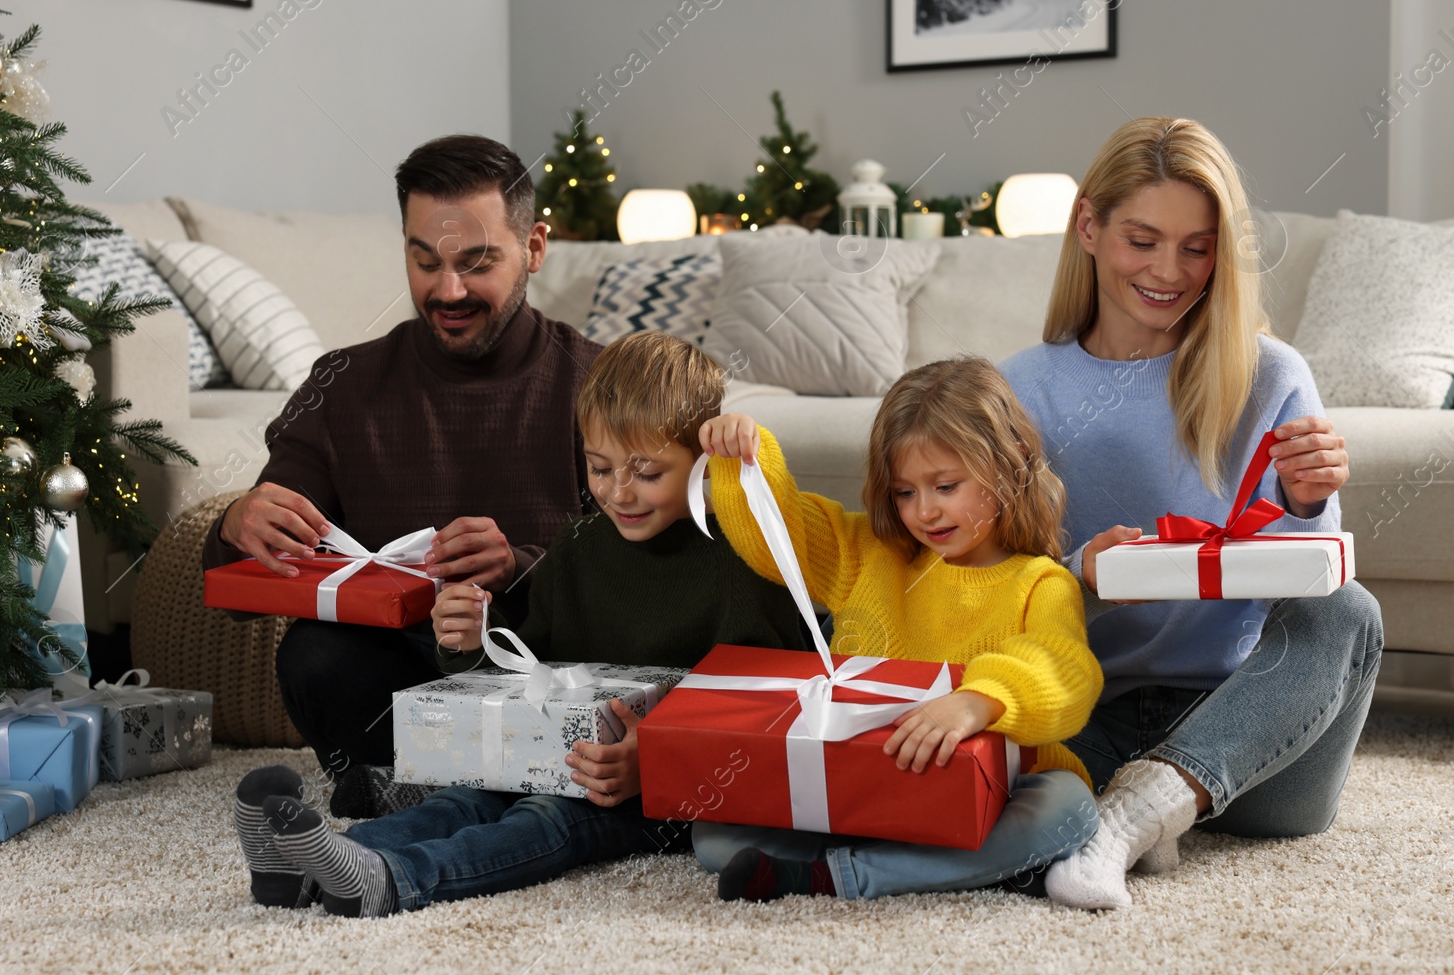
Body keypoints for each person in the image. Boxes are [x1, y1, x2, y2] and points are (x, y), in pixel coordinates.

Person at [230, 331, 806, 915]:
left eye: (648, 473)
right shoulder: (580, 547)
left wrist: (654, 761)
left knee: (544, 818)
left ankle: (397, 878)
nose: (619, 493)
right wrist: (472, 640)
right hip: (562, 757)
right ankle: (306, 865)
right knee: (465, 797)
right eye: (599, 468)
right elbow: (530, 672)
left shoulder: (742, 556)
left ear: (705, 465)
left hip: (669, 796)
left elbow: (765, 711)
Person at [999, 116, 1383, 910]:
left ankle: (1143, 807)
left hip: (1253, 743)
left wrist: (1305, 504)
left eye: (1196, 247)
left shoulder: (1272, 374)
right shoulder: (1019, 389)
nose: (1169, 271)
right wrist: (1083, 577)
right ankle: (1142, 809)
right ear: (1089, 227)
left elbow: (1312, 595)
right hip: (1087, 718)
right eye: (1143, 239)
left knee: (1353, 610)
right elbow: (983, 588)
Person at [202, 134, 602, 818]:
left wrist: (520, 566)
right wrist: (240, 523)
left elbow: (644, 573)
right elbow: (241, 590)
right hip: (407, 680)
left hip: (545, 670)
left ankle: (436, 790)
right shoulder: (343, 384)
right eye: (425, 262)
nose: (448, 291)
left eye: (477, 264)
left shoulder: (598, 381)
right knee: (314, 654)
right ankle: (463, 785)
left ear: (534, 248)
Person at [690, 356, 1105, 902]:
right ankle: (938, 864)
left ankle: (842, 876)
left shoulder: (1040, 581)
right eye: (906, 493)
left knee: (1069, 810)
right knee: (713, 832)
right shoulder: (871, 555)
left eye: (946, 486)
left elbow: (1062, 666)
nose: (925, 512)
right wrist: (742, 458)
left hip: (993, 788)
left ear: (1012, 463)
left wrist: (978, 701)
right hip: (867, 784)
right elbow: (780, 536)